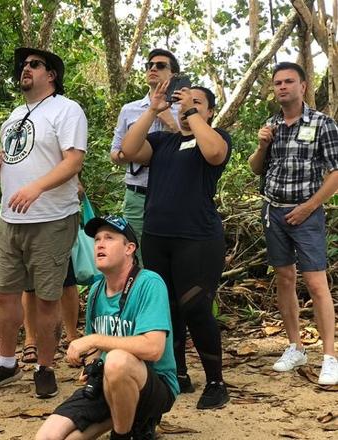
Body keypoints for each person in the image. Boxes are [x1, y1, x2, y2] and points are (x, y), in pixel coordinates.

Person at [0, 47, 87, 399]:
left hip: (51, 218)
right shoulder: (13, 117)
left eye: (34, 64)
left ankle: (45, 368)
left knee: (48, 298)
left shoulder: (67, 110)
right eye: (23, 64)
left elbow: (73, 162)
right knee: (5, 294)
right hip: (11, 221)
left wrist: (36, 187)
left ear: (51, 75)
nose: (26, 68)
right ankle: (6, 363)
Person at [121, 82, 231, 409]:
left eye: (198, 103)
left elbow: (213, 154)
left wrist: (192, 112)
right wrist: (154, 110)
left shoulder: (216, 138)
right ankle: (178, 373)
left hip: (198, 238)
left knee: (195, 307)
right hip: (157, 237)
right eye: (184, 102)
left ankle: (215, 381)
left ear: (209, 112)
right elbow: (128, 150)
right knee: (166, 308)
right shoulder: (163, 141)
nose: (187, 107)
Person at [36, 215, 178, 440]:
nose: (100, 244)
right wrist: (91, 365)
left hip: (153, 385)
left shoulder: (149, 283)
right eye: (97, 239)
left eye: (109, 238)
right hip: (108, 384)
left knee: (118, 361)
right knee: (47, 437)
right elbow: (97, 353)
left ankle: (123, 435)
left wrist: (93, 341)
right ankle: (127, 418)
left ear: (129, 248)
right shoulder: (95, 290)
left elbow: (153, 348)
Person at [248, 62, 338, 385]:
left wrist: (309, 207)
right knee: (284, 278)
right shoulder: (271, 125)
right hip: (274, 212)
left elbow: (335, 174)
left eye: (289, 81)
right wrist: (262, 145)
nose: (282, 87)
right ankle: (295, 347)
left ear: (302, 86)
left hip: (307, 213)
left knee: (316, 283)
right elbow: (257, 169)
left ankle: (329, 356)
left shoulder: (322, 124)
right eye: (277, 82)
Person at [109, 49, 180, 261]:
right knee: (133, 255)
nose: (152, 69)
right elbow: (114, 152)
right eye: (149, 65)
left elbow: (192, 150)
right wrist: (128, 155)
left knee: (169, 256)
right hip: (136, 194)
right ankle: (138, 294)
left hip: (172, 195)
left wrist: (169, 120)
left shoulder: (186, 108)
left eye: (160, 66)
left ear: (173, 74)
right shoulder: (129, 110)